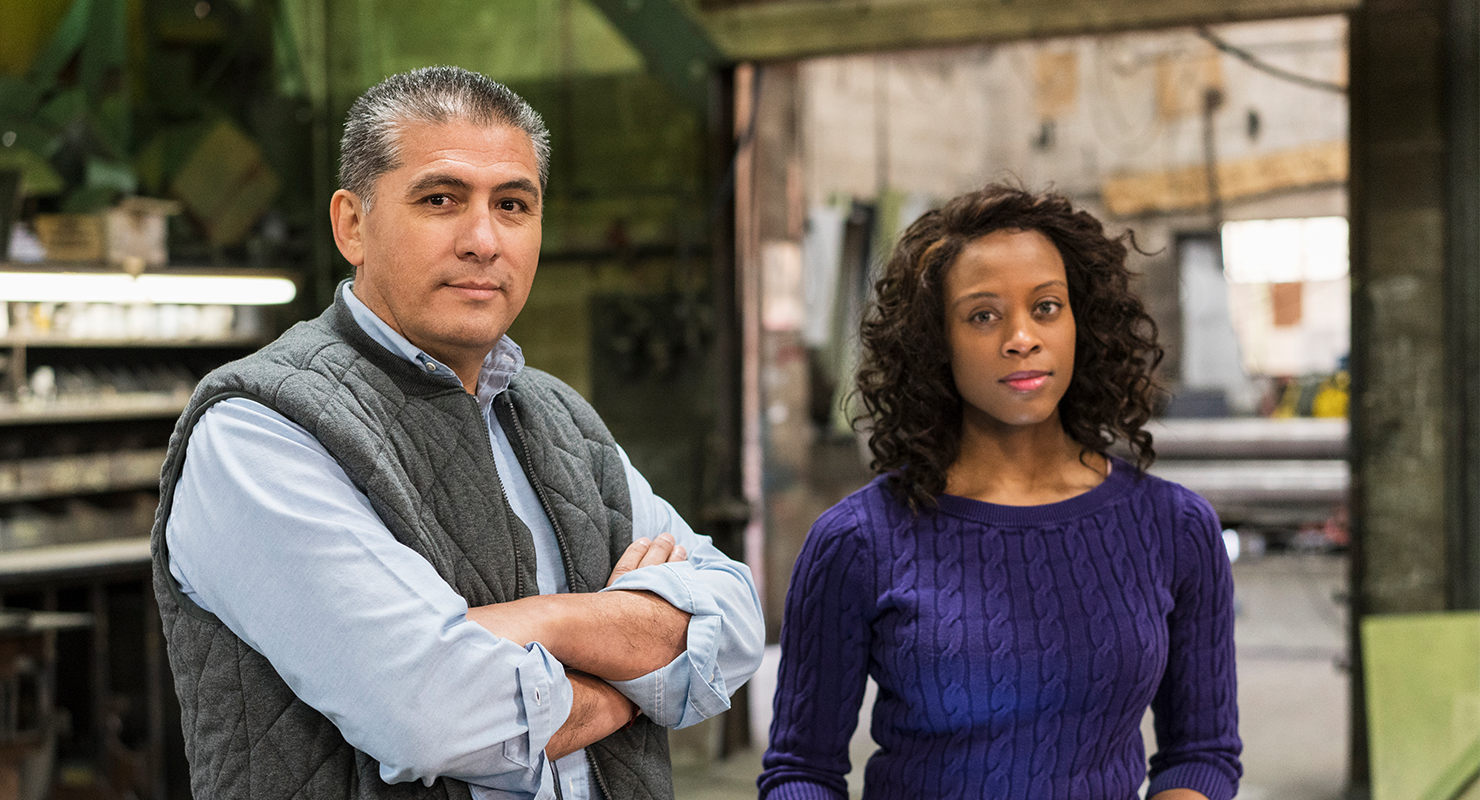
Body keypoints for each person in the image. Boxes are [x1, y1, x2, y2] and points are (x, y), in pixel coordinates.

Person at [150, 66, 764, 800]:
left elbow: (733, 625)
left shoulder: (561, 419)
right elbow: (430, 713)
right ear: (352, 224)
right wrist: (636, 679)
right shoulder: (259, 432)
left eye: (513, 204)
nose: (483, 239)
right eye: (440, 199)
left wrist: (543, 620)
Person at [758, 186, 1241, 800]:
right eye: (983, 315)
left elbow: (1201, 753)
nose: (1021, 337)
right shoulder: (858, 540)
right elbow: (801, 772)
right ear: (938, 341)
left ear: (1080, 323)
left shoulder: (1174, 528)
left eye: (1045, 307)